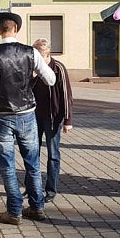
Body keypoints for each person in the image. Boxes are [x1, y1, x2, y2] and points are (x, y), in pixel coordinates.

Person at [0, 12, 56, 225]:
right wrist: (33, 73)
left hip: (1, 115)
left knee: (7, 166)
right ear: (16, 29)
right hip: (27, 114)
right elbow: (51, 79)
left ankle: (14, 212)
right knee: (32, 163)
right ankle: (37, 207)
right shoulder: (30, 53)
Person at [32, 38, 73, 202]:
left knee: (53, 154)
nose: (37, 59)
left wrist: (68, 120)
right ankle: (33, 188)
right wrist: (32, 76)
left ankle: (51, 190)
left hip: (52, 117)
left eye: (40, 55)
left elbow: (66, 95)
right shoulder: (32, 67)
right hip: (33, 115)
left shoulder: (58, 68)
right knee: (32, 153)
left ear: (48, 53)